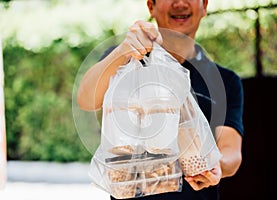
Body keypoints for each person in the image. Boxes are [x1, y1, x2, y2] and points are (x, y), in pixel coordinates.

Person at [77, 0, 244, 199]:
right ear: (151, 6)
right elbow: (86, 100)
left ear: (204, 5)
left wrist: (215, 164)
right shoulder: (127, 60)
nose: (180, 3)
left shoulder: (225, 81)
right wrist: (122, 51)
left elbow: (231, 152)